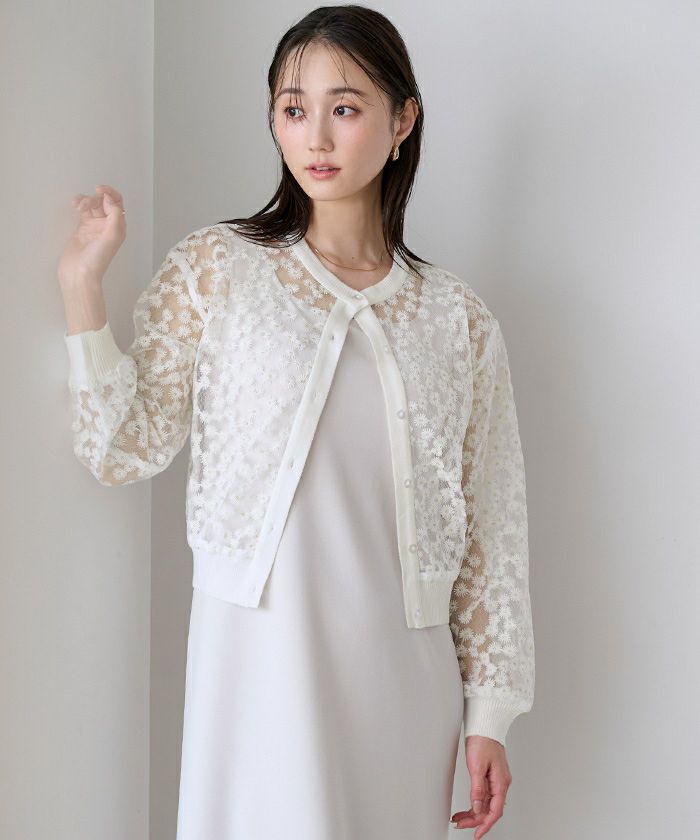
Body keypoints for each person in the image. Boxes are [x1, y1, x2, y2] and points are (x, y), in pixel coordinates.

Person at [57, 6, 535, 839]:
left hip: (403, 680)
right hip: (257, 660)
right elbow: (123, 446)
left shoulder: (456, 319)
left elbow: (493, 522)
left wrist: (490, 713)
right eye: (292, 107)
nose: (315, 135)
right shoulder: (220, 269)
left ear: (403, 121)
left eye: (344, 107)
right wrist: (80, 286)